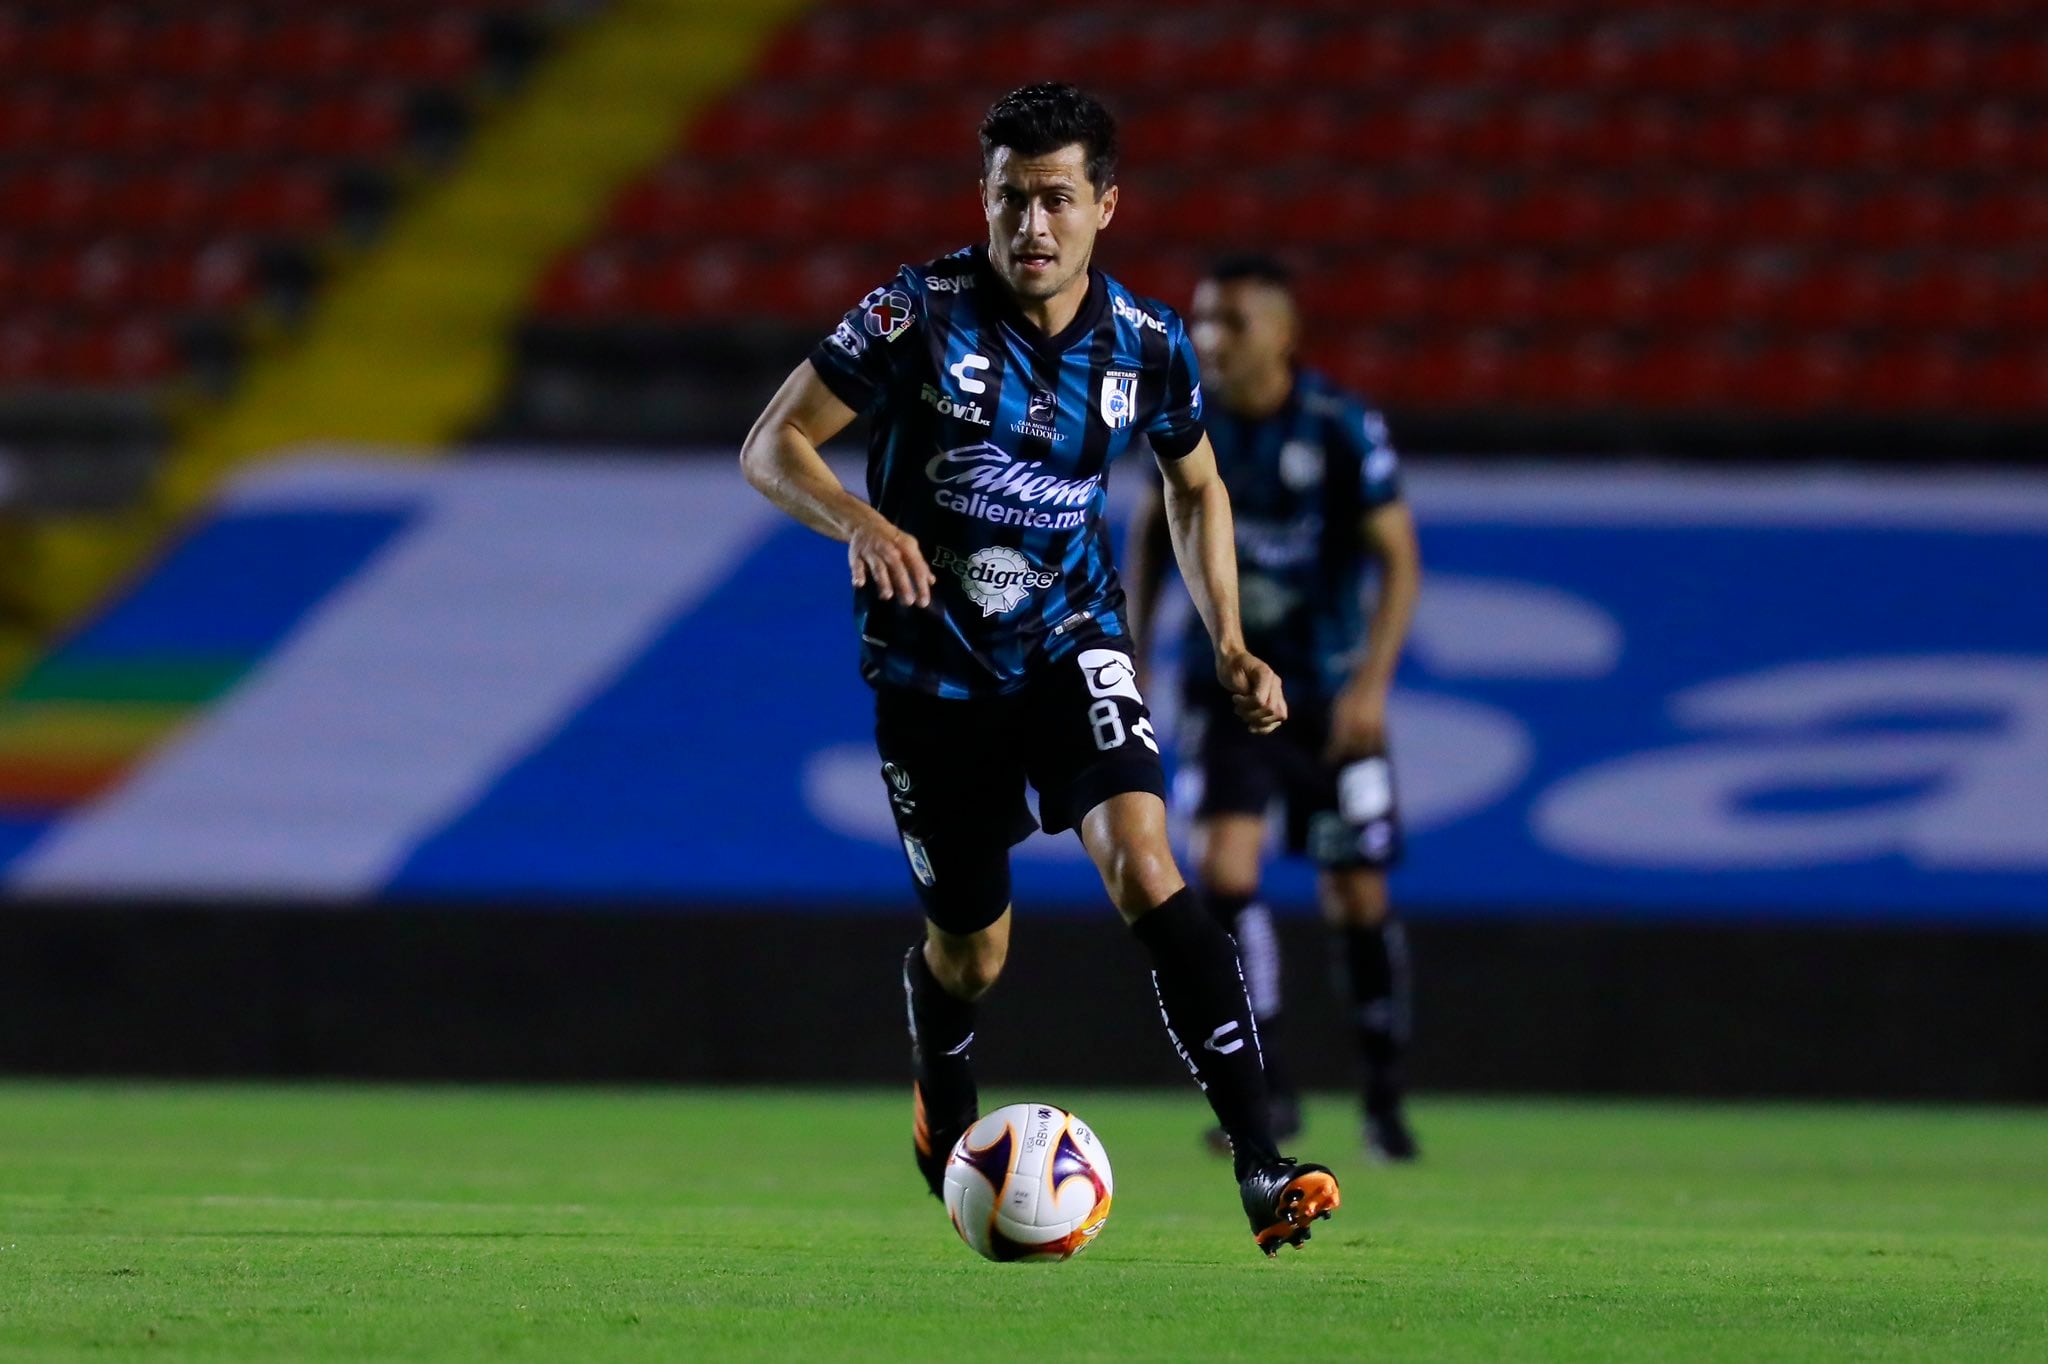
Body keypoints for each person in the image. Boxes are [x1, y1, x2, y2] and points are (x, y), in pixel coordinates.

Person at [738, 84, 1339, 1254]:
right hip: (930, 670)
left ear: (1104, 205)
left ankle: (1260, 1162)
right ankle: (941, 1077)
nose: (1031, 225)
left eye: (1056, 198)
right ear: (983, 197)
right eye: (1010, 197)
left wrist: (1226, 636)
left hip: (1071, 641)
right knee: (973, 951)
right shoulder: (917, 312)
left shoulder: (1147, 344)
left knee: (1145, 861)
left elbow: (1195, 486)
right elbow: (773, 441)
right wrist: (859, 519)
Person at [1127, 255, 1424, 1161]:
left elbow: (1399, 558)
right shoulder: (1185, 419)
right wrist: (1133, 649)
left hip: (1328, 692)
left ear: (1285, 335)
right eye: (1205, 320)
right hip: (1224, 685)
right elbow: (1152, 529)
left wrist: (1371, 687)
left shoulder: (1339, 426)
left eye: (1235, 322)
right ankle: (1271, 1091)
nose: (1212, 339)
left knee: (1356, 891)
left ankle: (1383, 1099)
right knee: (1224, 874)